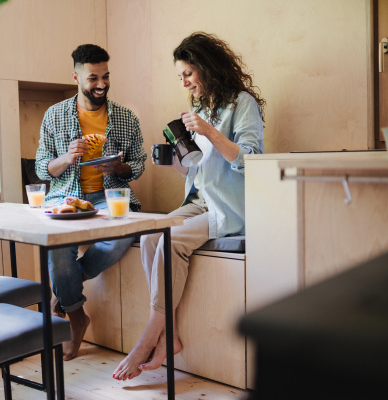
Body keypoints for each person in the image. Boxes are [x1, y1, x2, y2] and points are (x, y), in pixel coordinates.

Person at [113, 32, 265, 380]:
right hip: (199, 200)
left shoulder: (242, 104)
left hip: (228, 207)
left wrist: (211, 132)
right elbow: (197, 170)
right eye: (180, 76)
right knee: (151, 234)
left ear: (207, 68)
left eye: (187, 74)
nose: (184, 82)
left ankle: (153, 334)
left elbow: (253, 161)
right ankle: (170, 335)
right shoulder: (200, 109)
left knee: (172, 240)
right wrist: (174, 164)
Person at [35, 44, 147, 361]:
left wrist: (118, 167)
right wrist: (68, 157)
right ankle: (77, 317)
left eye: (106, 76)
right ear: (76, 77)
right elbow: (43, 167)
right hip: (66, 196)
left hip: (111, 196)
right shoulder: (54, 115)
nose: (101, 84)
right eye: (93, 78)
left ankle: (63, 294)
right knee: (57, 248)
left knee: (124, 234)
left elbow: (138, 165)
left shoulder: (125, 118)